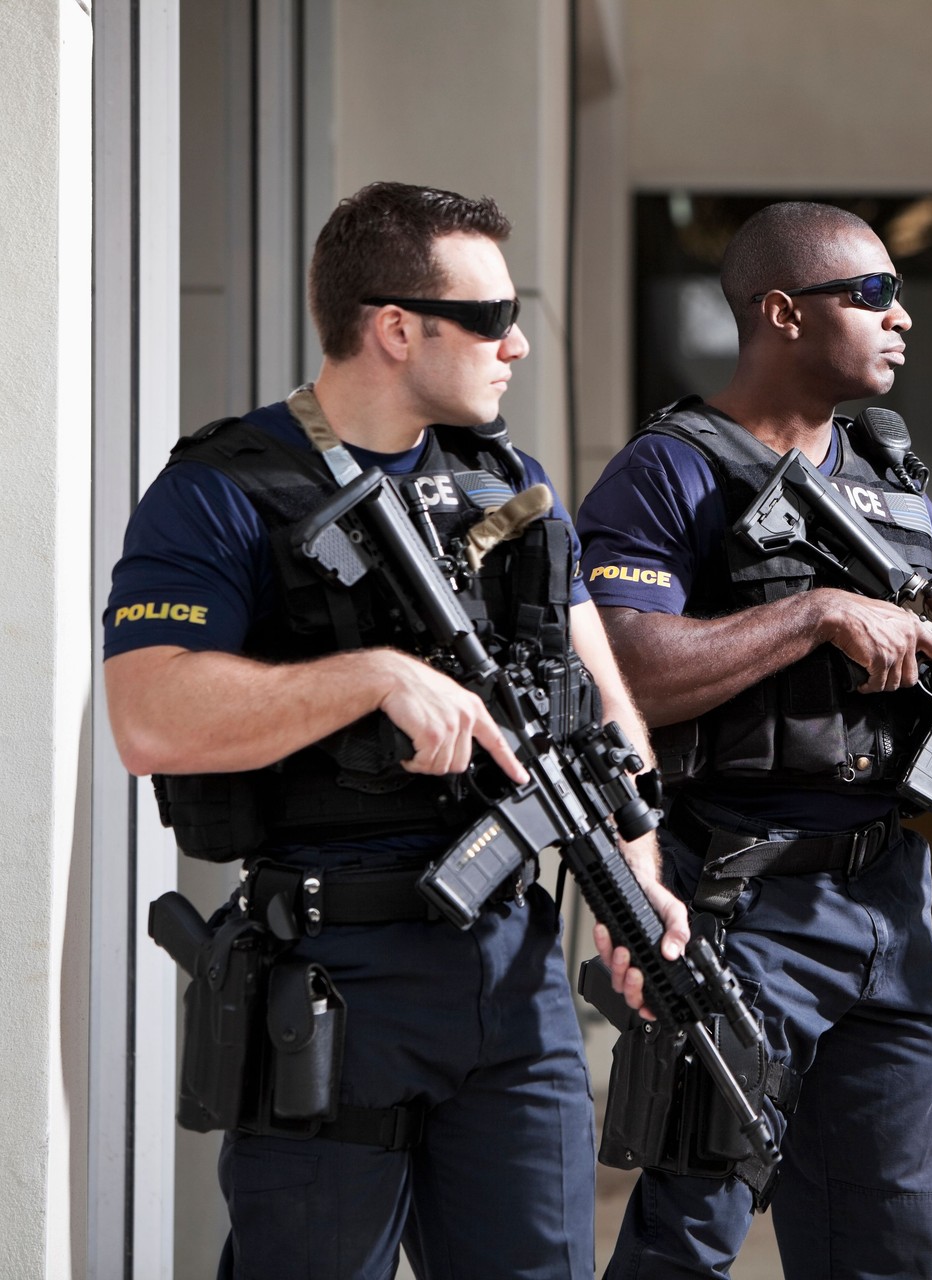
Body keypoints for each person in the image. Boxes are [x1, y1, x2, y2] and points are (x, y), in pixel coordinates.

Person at [102, 181, 688, 1280]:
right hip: (328, 972)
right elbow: (148, 715)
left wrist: (635, 877)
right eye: (489, 318)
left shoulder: (511, 484)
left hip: (511, 977)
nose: (514, 344)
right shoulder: (225, 489)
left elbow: (606, 707)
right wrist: (370, 676)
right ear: (396, 327)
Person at [579, 201, 932, 1280]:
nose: (901, 316)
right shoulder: (670, 472)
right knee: (689, 1235)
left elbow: (902, 698)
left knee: (890, 1244)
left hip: (887, 905)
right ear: (781, 312)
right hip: (735, 902)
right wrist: (812, 610)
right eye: (871, 294)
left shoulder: (893, 481)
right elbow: (618, 673)